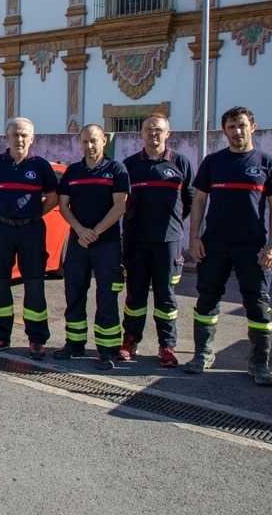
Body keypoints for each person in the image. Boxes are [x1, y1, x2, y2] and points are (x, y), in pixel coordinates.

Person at [186, 106, 272, 387]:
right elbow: (199, 201)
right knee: (207, 298)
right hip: (214, 244)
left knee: (257, 305)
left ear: (252, 127)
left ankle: (258, 364)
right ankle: (202, 354)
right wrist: (194, 238)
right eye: (231, 126)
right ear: (225, 131)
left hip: (253, 246)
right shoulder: (213, 163)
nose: (237, 131)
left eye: (241, 125)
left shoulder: (267, 163)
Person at [0, 118, 58, 359]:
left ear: (32, 138)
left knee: (34, 285)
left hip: (31, 231)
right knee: (0, 284)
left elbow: (53, 198)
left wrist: (33, 214)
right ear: (8, 137)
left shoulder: (41, 166)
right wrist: (5, 214)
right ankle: (0, 335)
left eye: (24, 135)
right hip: (2, 229)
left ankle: (36, 339)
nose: (20, 139)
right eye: (15, 135)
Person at [120, 114, 195, 366]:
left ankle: (167, 346)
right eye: (149, 130)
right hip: (136, 241)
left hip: (168, 243)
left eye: (159, 130)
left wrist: (173, 222)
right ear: (141, 134)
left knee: (166, 298)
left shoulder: (181, 163)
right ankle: (130, 340)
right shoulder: (130, 165)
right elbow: (120, 202)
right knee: (135, 296)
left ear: (168, 133)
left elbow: (190, 201)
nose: (154, 134)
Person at [55, 124, 129, 370]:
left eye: (94, 141)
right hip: (78, 243)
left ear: (104, 141)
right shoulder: (73, 171)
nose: (89, 146)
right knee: (74, 292)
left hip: (106, 244)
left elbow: (120, 206)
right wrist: (80, 230)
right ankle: (74, 344)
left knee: (107, 296)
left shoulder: (116, 170)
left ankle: (107, 350)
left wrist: (95, 231)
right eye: (85, 141)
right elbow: (64, 206)